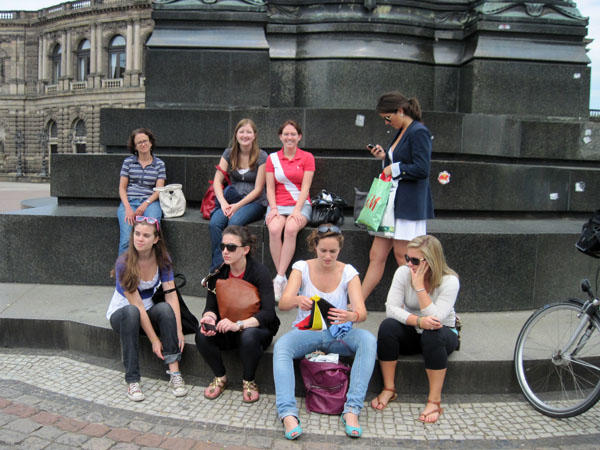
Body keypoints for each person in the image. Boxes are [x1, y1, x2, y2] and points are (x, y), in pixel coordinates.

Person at [274, 225, 376, 439]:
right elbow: (283, 303)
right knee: (282, 346)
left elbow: (362, 312)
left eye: (333, 251)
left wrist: (351, 315)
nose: (328, 256)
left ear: (340, 250)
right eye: (323, 251)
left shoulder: (349, 272)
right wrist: (297, 299)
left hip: (337, 333)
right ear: (315, 247)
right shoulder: (301, 267)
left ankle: (352, 409)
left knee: (367, 340)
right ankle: (287, 413)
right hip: (307, 331)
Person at [371, 235, 459, 424]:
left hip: (443, 333)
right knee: (388, 327)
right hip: (414, 329)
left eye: (415, 260)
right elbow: (391, 309)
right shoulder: (403, 272)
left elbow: (436, 319)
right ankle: (389, 388)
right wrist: (418, 321)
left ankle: (434, 401)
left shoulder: (450, 281)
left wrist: (419, 288)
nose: (409, 264)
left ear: (431, 261)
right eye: (407, 258)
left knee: (432, 333)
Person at [361, 92, 434, 301]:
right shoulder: (405, 130)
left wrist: (393, 168)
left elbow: (422, 168)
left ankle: (427, 304)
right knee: (376, 255)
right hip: (393, 204)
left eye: (388, 117)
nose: (386, 122)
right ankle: (358, 303)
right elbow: (402, 162)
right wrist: (385, 158)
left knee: (404, 257)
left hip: (407, 205)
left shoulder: (418, 131)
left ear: (400, 111)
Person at [106, 216, 188, 402]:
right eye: (137, 234)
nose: (140, 239)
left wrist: (179, 330)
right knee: (132, 313)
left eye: (146, 235)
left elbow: (171, 295)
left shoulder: (163, 259)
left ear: (156, 239)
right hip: (123, 314)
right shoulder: (123, 263)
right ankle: (132, 380)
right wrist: (154, 340)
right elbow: (137, 305)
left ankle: (175, 373)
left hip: (147, 311)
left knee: (165, 309)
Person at [196, 225, 280, 403]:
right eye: (222, 247)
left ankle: (249, 381)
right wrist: (209, 317)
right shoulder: (219, 272)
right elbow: (211, 306)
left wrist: (239, 324)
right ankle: (220, 377)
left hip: (256, 329)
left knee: (248, 337)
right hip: (228, 327)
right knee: (201, 334)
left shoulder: (260, 272)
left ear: (245, 250)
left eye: (231, 247)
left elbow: (268, 313)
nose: (225, 251)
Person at [209, 119, 268, 270]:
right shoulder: (229, 154)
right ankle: (218, 267)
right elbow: (217, 181)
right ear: (236, 134)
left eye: (249, 132)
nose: (245, 135)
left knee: (234, 222)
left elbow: (258, 189)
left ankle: (234, 266)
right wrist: (224, 203)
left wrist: (237, 206)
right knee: (215, 223)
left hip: (254, 202)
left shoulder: (262, 156)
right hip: (231, 199)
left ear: (254, 135)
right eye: (241, 132)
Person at [265, 120, 315, 300]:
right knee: (274, 228)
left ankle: (278, 278)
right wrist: (273, 208)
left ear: (299, 137)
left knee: (291, 228)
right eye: (286, 134)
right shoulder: (272, 158)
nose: (289, 137)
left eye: (293, 134)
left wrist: (297, 210)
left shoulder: (307, 157)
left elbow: (306, 187)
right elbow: (270, 187)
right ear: (280, 137)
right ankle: (282, 278)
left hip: (300, 204)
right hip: (278, 204)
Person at [117, 128, 166, 255]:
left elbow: (159, 190)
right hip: (130, 202)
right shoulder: (128, 162)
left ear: (151, 143)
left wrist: (145, 204)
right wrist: (128, 208)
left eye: (145, 141)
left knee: (151, 234)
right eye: (139, 142)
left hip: (151, 203)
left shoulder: (159, 164)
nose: (143, 144)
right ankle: (124, 268)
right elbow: (122, 188)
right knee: (127, 238)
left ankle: (150, 266)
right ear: (135, 146)